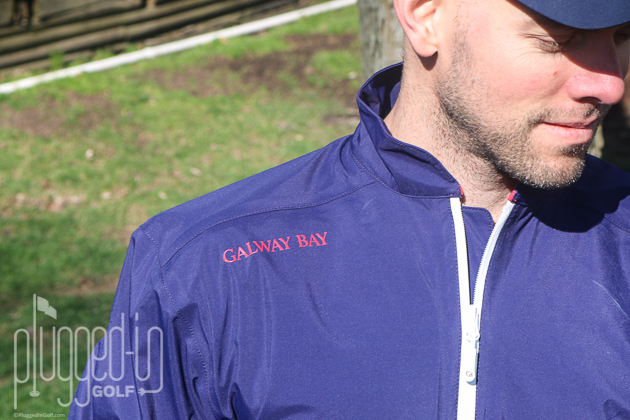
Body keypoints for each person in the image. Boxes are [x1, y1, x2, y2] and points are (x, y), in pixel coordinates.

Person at [69, 0, 630, 418]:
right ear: (425, 14)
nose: (609, 84)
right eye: (559, 40)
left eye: (622, 37)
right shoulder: (204, 266)